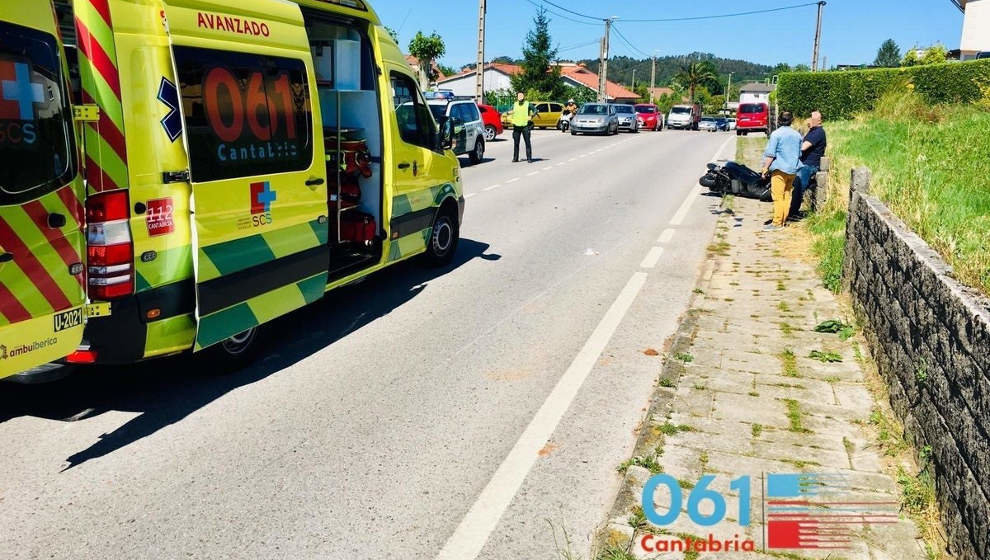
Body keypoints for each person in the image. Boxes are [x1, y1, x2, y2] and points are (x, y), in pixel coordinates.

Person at [760, 111, 802, 231]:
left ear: (779, 120)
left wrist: (765, 169)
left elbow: (770, 154)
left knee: (778, 196)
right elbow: (799, 153)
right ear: (792, 120)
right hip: (792, 170)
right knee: (787, 196)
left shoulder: (776, 134)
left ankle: (777, 222)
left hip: (779, 169)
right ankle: (783, 220)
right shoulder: (797, 135)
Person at [789, 111, 827, 218]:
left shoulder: (818, 133)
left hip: (810, 166)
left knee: (799, 184)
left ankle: (793, 212)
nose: (808, 120)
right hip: (804, 164)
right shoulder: (812, 131)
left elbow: (803, 147)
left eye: (810, 118)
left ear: (817, 120)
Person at [508, 91, 538, 162]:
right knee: (516, 143)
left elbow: (535, 110)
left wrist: (532, 116)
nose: (520, 97)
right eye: (519, 96)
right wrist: (508, 113)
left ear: (524, 96)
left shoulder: (528, 104)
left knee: (527, 142)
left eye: (521, 95)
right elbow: (510, 111)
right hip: (516, 126)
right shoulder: (514, 104)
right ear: (517, 97)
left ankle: (529, 158)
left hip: (525, 126)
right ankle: (515, 158)